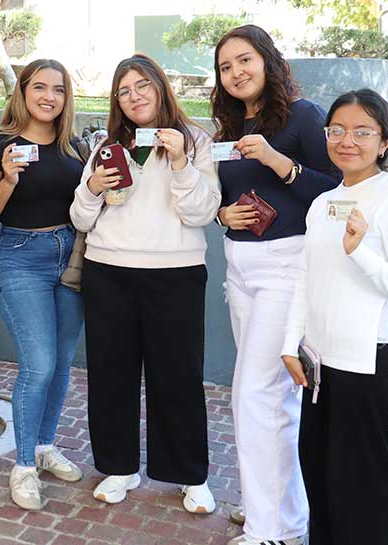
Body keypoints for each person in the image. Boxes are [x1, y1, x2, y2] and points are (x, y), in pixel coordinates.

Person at [70, 54, 220, 510]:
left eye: (142, 86)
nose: (133, 96)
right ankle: (119, 468)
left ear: (160, 86)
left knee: (178, 376)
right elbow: (80, 218)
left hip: (176, 274)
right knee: (110, 375)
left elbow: (202, 212)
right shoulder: (107, 145)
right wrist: (93, 187)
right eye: (123, 91)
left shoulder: (195, 140)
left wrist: (180, 163)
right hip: (108, 272)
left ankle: (189, 475)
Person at [211, 24, 340, 545]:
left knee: (256, 395)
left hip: (285, 267)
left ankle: (270, 531)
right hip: (238, 268)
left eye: (244, 59)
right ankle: (276, 512)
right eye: (225, 66)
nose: (236, 72)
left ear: (267, 60)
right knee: (270, 400)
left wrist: (278, 162)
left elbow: (336, 191)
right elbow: (222, 195)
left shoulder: (304, 116)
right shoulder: (227, 128)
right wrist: (222, 215)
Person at [282, 88, 388, 545]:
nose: (347, 141)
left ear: (385, 141)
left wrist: (360, 251)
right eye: (338, 130)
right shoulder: (324, 202)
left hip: (368, 363)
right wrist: (290, 345)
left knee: (362, 487)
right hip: (320, 365)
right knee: (320, 475)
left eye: (363, 131)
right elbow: (305, 275)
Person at [0, 59, 86, 511]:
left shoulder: (74, 146)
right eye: (39, 87)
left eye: (58, 89)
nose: (48, 97)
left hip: (71, 258)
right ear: (22, 91)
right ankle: (22, 466)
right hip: (22, 259)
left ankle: (44, 445)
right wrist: (8, 179)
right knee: (38, 365)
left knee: (61, 364)